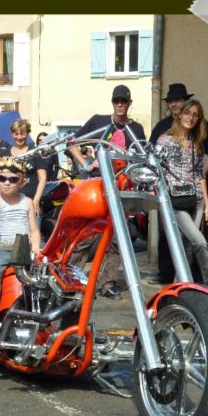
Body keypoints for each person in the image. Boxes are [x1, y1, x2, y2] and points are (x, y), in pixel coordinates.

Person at [67, 84, 146, 300]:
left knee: (119, 238)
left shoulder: (136, 129)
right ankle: (72, 278)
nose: (119, 104)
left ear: (129, 103)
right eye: (116, 101)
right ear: (112, 102)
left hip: (122, 187)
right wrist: (85, 164)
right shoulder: (99, 121)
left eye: (123, 101)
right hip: (99, 186)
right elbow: (72, 143)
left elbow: (142, 156)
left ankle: (106, 283)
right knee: (88, 234)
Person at [149, 83, 208, 284]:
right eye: (170, 101)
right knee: (173, 237)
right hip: (173, 196)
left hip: (195, 194)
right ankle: (169, 275)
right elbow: (152, 160)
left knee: (191, 241)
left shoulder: (199, 132)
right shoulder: (163, 131)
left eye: (178, 100)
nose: (174, 104)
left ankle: (185, 282)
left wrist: (198, 176)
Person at [0, 157, 40, 343]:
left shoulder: (27, 202)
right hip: (3, 248)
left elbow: (34, 229)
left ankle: (36, 314)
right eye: (2, 178)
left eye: (13, 179)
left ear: (22, 182)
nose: (7, 183)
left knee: (38, 279)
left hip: (24, 248)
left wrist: (36, 248)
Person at [0, 119, 47, 216]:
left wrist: (36, 200)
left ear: (27, 134)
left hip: (31, 201)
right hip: (9, 203)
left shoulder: (35, 153)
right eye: (16, 134)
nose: (19, 137)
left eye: (22, 134)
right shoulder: (4, 153)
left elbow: (43, 178)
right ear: (12, 134)